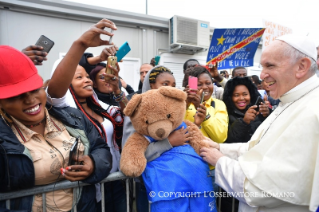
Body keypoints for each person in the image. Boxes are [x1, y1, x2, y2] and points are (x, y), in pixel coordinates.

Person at [200, 34, 319, 211]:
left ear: (301, 67)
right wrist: (219, 147)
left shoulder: (312, 111)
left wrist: (220, 161)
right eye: (262, 66)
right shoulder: (289, 100)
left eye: (270, 65)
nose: (262, 75)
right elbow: (257, 150)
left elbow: (263, 190)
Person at [0, 45, 111, 211]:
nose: (30, 100)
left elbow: (101, 148)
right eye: (16, 96)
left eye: (34, 89)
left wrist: (94, 164)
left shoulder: (73, 117)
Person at [47, 19, 128, 211]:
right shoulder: (64, 107)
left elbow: (127, 112)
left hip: (116, 179)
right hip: (90, 185)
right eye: (78, 77)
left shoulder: (98, 105)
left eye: (87, 76)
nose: (87, 80)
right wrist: (80, 44)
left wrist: (116, 87)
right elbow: (54, 90)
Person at [184, 65, 228, 193]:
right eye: (199, 84)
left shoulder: (219, 104)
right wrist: (185, 105)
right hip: (186, 165)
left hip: (210, 168)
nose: (204, 87)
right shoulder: (183, 103)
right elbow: (174, 128)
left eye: (208, 83)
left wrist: (205, 113)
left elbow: (220, 136)